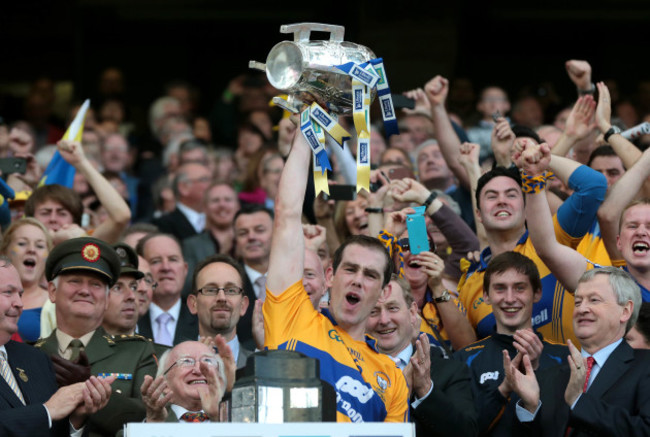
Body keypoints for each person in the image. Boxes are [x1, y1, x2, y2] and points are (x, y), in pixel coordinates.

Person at [264, 119, 409, 422]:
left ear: (383, 292)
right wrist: (306, 129)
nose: (358, 279)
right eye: (351, 269)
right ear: (330, 276)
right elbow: (287, 214)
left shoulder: (392, 379)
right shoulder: (293, 314)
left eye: (370, 275)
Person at [34, 237, 158, 436]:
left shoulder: (137, 352)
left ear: (107, 299)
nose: (85, 290)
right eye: (75, 281)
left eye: (96, 285)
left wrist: (88, 388)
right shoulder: (29, 355)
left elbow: (149, 418)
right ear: (52, 291)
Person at [509, 267, 650, 436]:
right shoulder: (550, 376)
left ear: (625, 311)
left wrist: (578, 402)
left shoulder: (645, 366)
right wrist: (530, 408)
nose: (582, 309)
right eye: (578, 302)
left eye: (594, 300)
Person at [454, 251, 567, 436]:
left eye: (519, 288)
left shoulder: (563, 358)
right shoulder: (465, 359)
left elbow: (564, 428)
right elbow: (462, 430)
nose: (509, 298)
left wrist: (537, 371)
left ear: (537, 293)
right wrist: (504, 389)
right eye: (500, 288)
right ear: (486, 296)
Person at [0, 256, 114, 437]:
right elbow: (46, 414)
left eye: (20, 294)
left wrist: (75, 419)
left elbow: (50, 429)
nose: (20, 304)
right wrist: (46, 411)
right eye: (8, 292)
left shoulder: (34, 358)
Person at [367, 276, 477, 436]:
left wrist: (426, 390)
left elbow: (467, 433)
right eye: (373, 311)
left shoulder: (451, 371)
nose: (384, 320)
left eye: (392, 308)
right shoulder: (348, 367)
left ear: (412, 313)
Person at [25, 139, 131, 245]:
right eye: (45, 213)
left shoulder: (88, 246)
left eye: (62, 214)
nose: (53, 219)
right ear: (31, 218)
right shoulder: (19, 241)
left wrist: (80, 162)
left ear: (75, 221)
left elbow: (121, 216)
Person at [187, 254, 253, 369]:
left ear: (243, 305)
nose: (221, 298)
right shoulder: (173, 365)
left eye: (231, 290)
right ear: (193, 304)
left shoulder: (260, 366)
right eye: (211, 290)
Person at [138, 341, 226, 423]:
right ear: (165, 384)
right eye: (187, 361)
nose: (198, 369)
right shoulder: (156, 421)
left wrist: (218, 420)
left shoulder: (235, 419)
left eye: (207, 360)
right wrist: (155, 424)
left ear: (220, 380)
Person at [136, 233, 198, 346]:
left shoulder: (201, 320)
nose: (166, 267)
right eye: (156, 261)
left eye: (173, 259)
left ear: (185, 269)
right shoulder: (130, 318)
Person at [0, 218, 52, 342]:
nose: (32, 250)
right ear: (4, 252)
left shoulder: (57, 304)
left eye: (39, 246)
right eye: (22, 243)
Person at [233, 204, 273, 348]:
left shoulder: (295, 276)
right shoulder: (228, 281)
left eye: (259, 230)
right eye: (243, 233)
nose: (251, 237)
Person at [182, 183, 240, 278]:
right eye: (215, 200)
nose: (222, 205)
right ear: (205, 208)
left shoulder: (249, 241)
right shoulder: (191, 245)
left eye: (228, 199)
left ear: (238, 206)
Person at [152, 162, 212, 242]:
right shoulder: (164, 225)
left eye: (212, 179)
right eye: (204, 180)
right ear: (183, 188)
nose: (212, 185)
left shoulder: (218, 219)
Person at [102, 243, 144, 336]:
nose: (131, 296)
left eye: (133, 287)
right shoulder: (79, 348)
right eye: (117, 288)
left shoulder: (158, 351)